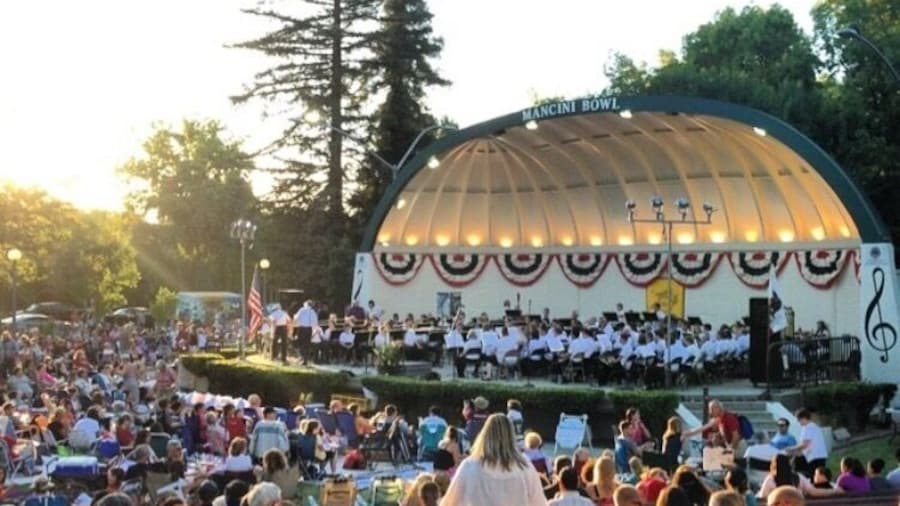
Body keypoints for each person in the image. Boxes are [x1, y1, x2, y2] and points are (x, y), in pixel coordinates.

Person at [440, 413, 547, 506]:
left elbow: (449, 503)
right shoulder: (524, 466)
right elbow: (540, 503)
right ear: (511, 436)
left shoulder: (470, 466)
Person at [757, 455, 841, 500]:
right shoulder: (798, 477)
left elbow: (762, 497)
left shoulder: (770, 480)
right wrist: (834, 491)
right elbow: (814, 491)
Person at [786, 408, 827, 478]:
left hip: (815, 457)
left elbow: (804, 444)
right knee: (820, 478)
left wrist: (791, 449)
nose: (798, 422)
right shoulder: (814, 426)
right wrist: (795, 451)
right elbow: (805, 445)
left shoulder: (808, 427)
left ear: (804, 418)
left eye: (799, 420)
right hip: (819, 456)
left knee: (814, 478)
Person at [293, 300, 318, 365]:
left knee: (300, 343)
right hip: (309, 329)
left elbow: (296, 318)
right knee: (307, 345)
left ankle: (303, 357)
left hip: (302, 328)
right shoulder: (313, 312)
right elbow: (315, 323)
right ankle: (305, 360)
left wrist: (295, 317)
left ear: (306, 304)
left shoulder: (302, 310)